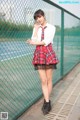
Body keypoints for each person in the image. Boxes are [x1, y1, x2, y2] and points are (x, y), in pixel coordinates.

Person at [27, 9, 59, 115]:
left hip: (48, 52)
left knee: (49, 79)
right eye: (36, 18)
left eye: (39, 17)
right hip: (39, 53)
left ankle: (46, 101)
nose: (38, 19)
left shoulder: (52, 27)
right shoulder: (36, 27)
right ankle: (47, 101)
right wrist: (35, 29)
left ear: (44, 16)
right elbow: (33, 38)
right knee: (43, 80)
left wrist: (33, 42)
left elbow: (46, 41)